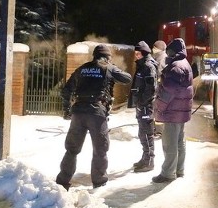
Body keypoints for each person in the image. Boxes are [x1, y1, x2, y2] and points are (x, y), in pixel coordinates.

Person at [56, 44, 132, 190]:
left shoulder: (82, 69)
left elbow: (66, 91)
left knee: (72, 149)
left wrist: (67, 110)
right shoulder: (108, 67)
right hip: (96, 114)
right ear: (107, 57)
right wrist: (112, 67)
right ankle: (99, 182)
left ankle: (62, 181)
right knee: (100, 149)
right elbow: (127, 78)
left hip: (78, 113)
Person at [152, 38, 194, 183]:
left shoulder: (175, 67)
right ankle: (179, 170)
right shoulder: (185, 64)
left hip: (172, 111)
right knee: (179, 142)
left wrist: (159, 108)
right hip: (181, 111)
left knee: (169, 143)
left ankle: (168, 173)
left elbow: (168, 91)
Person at [128, 41, 158, 173]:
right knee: (142, 133)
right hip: (142, 105)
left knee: (147, 133)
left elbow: (150, 89)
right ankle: (145, 157)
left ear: (144, 53)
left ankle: (149, 161)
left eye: (138, 53)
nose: (136, 56)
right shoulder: (142, 66)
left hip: (146, 106)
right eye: (135, 53)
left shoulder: (147, 67)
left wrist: (142, 103)